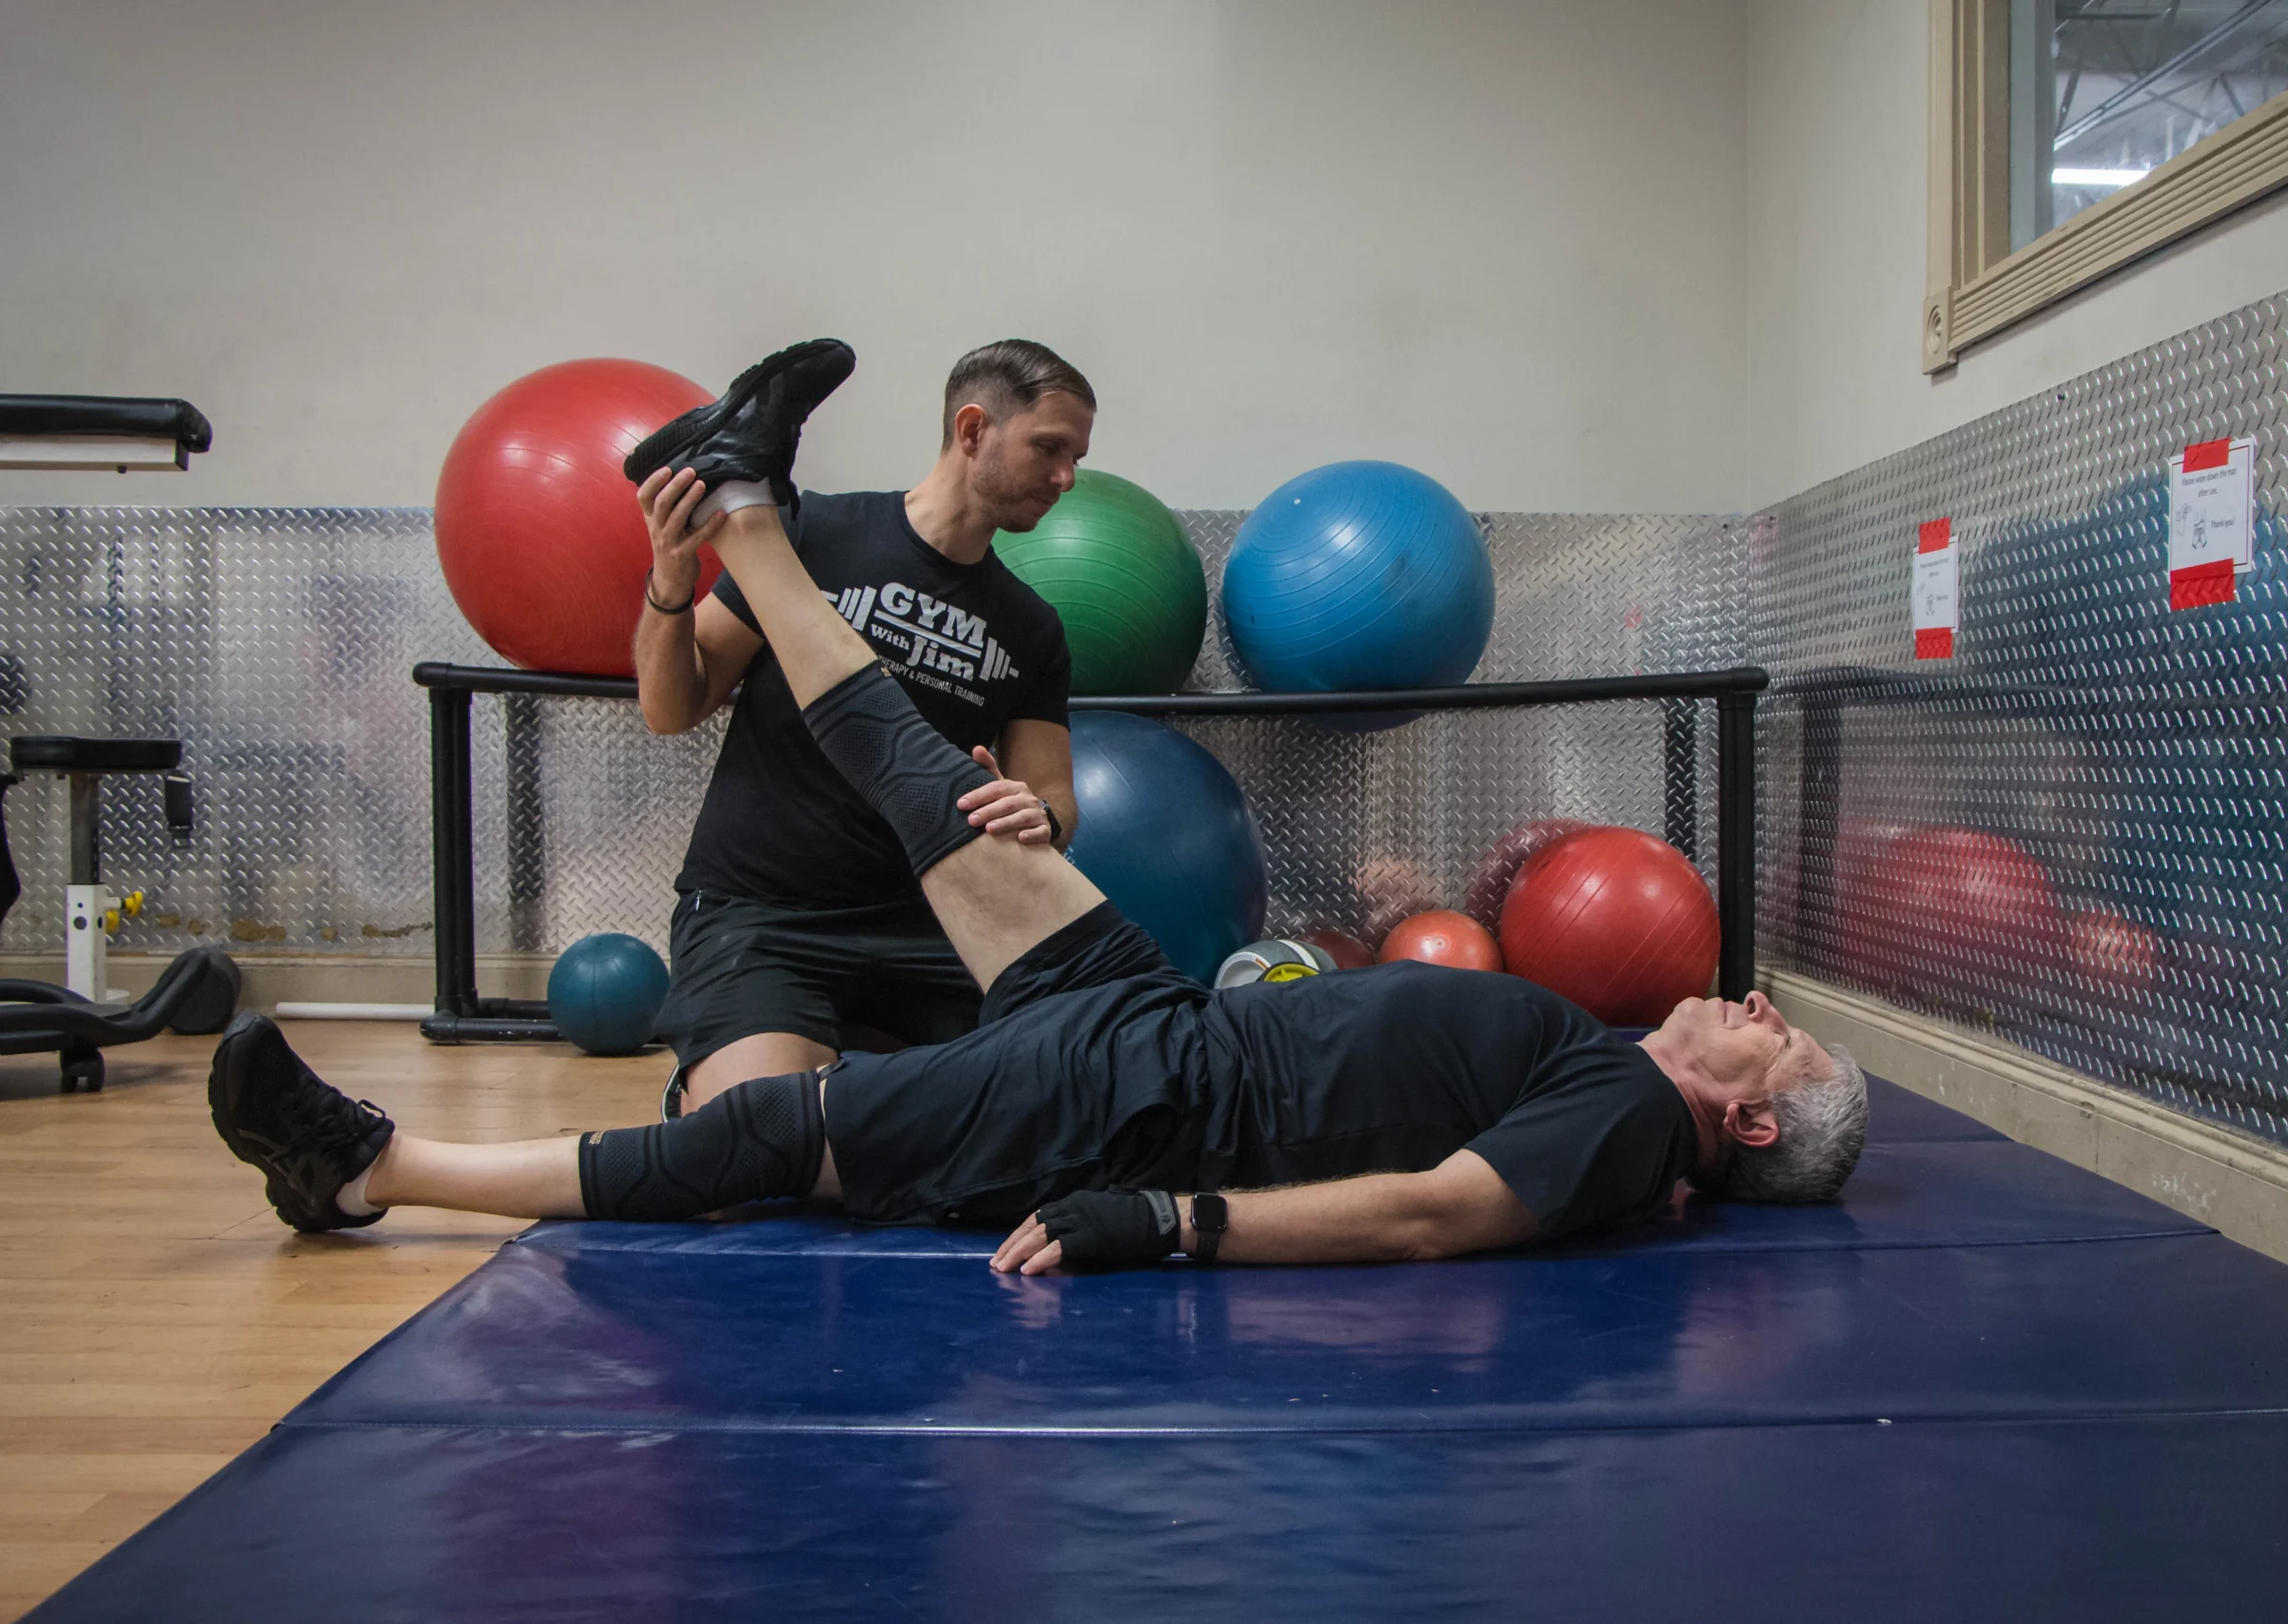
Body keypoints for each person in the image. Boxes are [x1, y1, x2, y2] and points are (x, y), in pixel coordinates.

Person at [207, 343, 1868, 1273]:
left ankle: (368, 1170)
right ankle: (740, 499)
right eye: (1768, 1019)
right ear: (971, 427)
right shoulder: (1623, 1091)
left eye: (1771, 1047)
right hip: (1142, 1016)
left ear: (1751, 1123)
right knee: (913, 771)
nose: (1749, 1004)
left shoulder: (1630, 1126)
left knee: (766, 1147)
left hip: (1129, 1113)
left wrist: (1170, 1221)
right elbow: (679, 699)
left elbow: (1432, 1214)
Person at [634, 337, 1093, 1121]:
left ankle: (733, 483)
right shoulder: (816, 534)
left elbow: (1054, 795)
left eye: (1076, 457)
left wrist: (1038, 814)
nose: (1066, 478)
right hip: (764, 916)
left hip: (929, 933)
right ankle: (720, 1092)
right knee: (766, 1130)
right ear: (973, 428)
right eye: (1049, 449)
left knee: (1055, 1111)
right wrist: (670, 585)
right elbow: (673, 706)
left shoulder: (1031, 625)